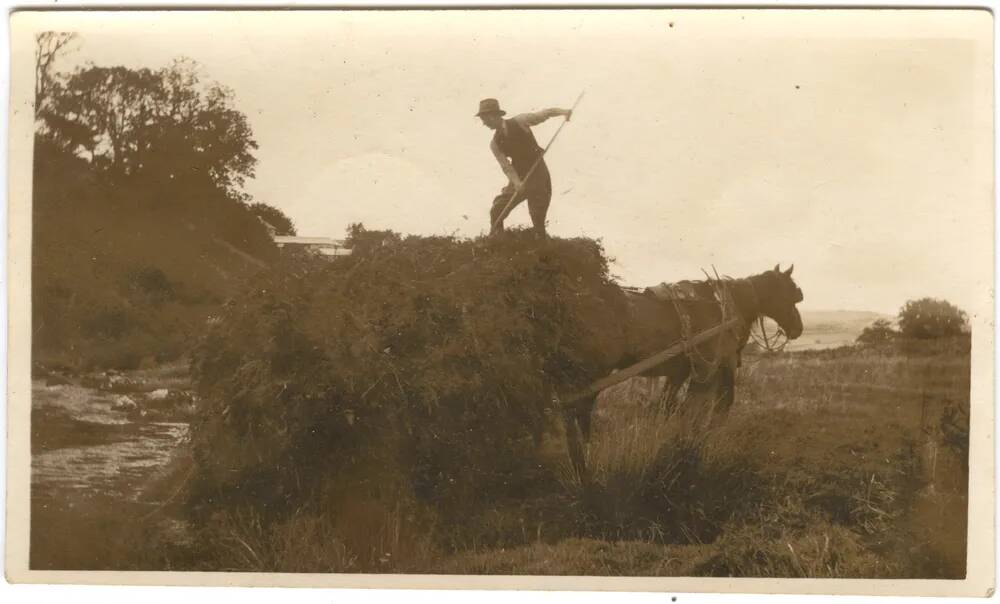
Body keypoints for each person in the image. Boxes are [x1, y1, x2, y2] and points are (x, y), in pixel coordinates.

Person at [476, 98, 572, 237]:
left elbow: (545, 114)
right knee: (497, 209)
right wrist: (517, 183)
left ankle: (541, 244)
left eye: (484, 119)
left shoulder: (520, 121)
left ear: (493, 116)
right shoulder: (494, 144)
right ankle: (497, 240)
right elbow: (506, 167)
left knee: (537, 215)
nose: (484, 123)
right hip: (518, 174)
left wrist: (564, 112)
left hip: (538, 172)